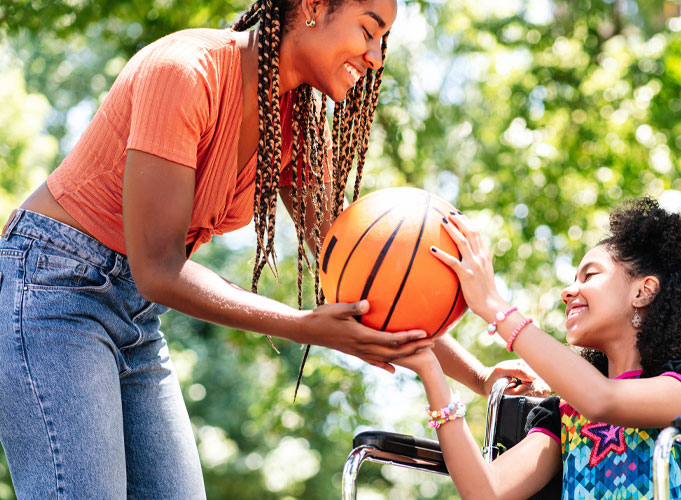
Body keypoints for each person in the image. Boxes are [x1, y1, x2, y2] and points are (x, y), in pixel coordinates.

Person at [0, 0, 542, 498]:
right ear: (310, 7)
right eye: (369, 31)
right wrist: (305, 326)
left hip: (138, 318)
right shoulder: (186, 71)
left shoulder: (291, 122)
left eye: (384, 42)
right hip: (53, 291)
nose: (376, 58)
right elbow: (159, 268)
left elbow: (374, 279)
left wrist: (480, 377)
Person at [395, 197, 681, 499]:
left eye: (589, 276)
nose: (567, 291)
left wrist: (494, 306)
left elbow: (602, 400)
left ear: (643, 291)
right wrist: (430, 371)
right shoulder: (562, 413)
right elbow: (484, 491)